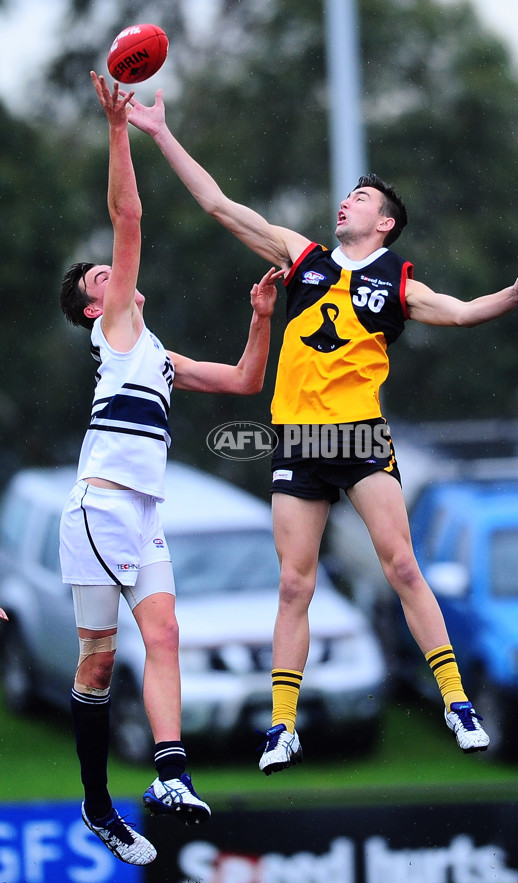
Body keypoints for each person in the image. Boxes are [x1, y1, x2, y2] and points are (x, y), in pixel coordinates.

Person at [125, 89, 518, 775]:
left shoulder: (396, 281)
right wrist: (159, 132)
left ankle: (457, 702)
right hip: (300, 439)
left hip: (358, 436)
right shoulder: (303, 259)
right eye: (349, 198)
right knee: (294, 586)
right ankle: (282, 726)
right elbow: (218, 204)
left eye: (362, 200)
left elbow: (457, 311)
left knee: (401, 565)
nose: (347, 203)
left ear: (387, 223)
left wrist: (512, 295)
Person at [58, 73, 281, 865]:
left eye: (107, 272)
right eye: (98, 279)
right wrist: (118, 128)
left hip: (143, 513)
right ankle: (95, 802)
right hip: (98, 508)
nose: (111, 276)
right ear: (95, 307)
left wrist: (261, 321)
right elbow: (129, 214)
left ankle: (170, 775)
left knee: (167, 635)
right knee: (100, 659)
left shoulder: (154, 354)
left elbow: (245, 382)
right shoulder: (114, 328)